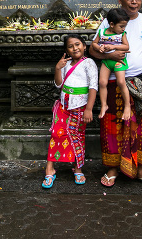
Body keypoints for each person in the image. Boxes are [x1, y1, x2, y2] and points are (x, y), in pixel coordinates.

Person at [88, 0, 142, 189]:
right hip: (113, 80)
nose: (134, 2)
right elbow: (93, 50)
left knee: (137, 127)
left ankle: (140, 168)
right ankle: (113, 167)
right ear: (120, 0)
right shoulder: (109, 22)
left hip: (139, 81)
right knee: (111, 124)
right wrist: (112, 55)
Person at [42, 34, 98, 189]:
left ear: (84, 46)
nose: (75, 48)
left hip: (80, 106)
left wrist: (89, 109)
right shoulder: (65, 63)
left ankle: (78, 168)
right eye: (71, 46)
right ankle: (50, 168)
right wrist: (58, 68)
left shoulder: (89, 63)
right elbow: (59, 85)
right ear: (66, 50)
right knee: (56, 134)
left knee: (77, 136)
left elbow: (93, 87)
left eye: (78, 44)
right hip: (63, 106)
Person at [90, 8, 130, 121]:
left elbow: (126, 46)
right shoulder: (102, 32)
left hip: (119, 61)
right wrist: (100, 48)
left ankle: (127, 106)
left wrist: (113, 47)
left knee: (121, 82)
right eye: (121, 26)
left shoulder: (122, 34)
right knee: (102, 82)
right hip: (107, 61)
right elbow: (94, 43)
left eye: (124, 26)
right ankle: (104, 105)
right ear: (111, 24)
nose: (123, 28)